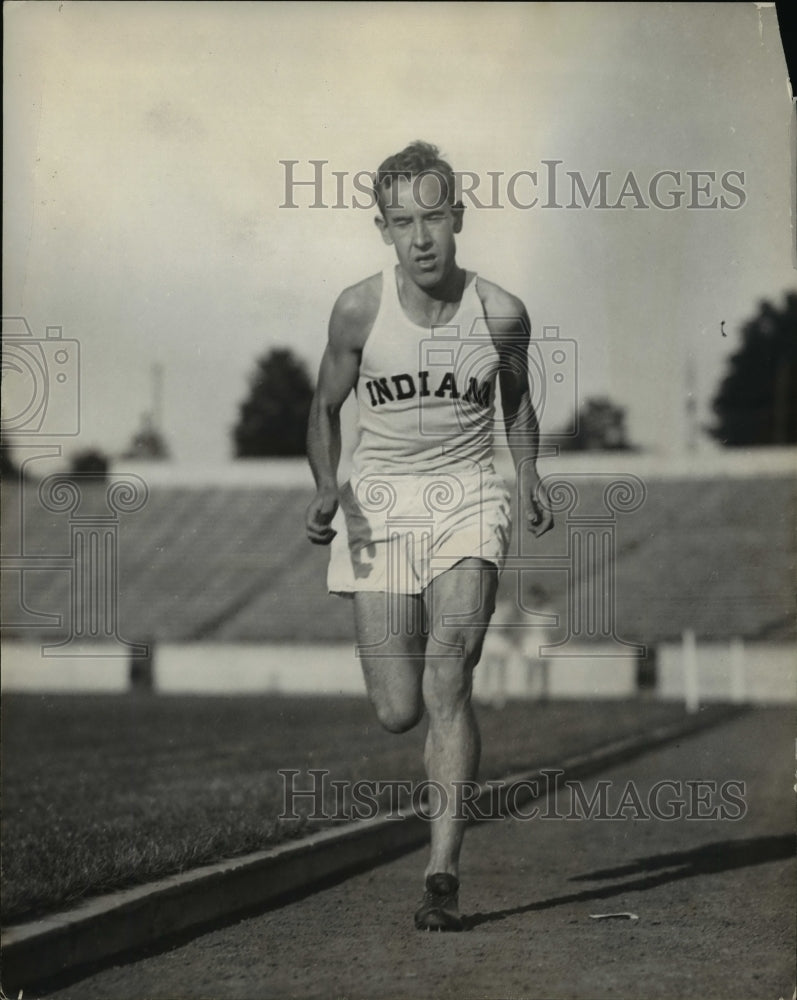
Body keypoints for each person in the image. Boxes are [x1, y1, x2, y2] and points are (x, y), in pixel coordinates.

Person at [305, 141, 554, 931]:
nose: (421, 237)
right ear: (382, 228)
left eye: (434, 217)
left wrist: (528, 473)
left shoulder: (500, 313)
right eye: (403, 221)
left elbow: (514, 402)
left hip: (468, 499)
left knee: (449, 677)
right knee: (396, 709)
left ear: (457, 219)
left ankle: (441, 872)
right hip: (378, 502)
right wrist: (322, 487)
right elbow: (322, 407)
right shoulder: (357, 309)